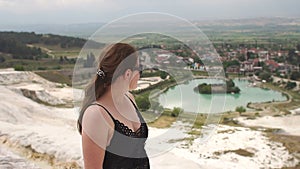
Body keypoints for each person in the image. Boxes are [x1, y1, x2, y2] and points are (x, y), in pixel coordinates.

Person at [77, 43, 149, 169]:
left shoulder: (130, 99)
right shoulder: (96, 115)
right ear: (127, 73)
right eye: (139, 68)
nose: (140, 73)